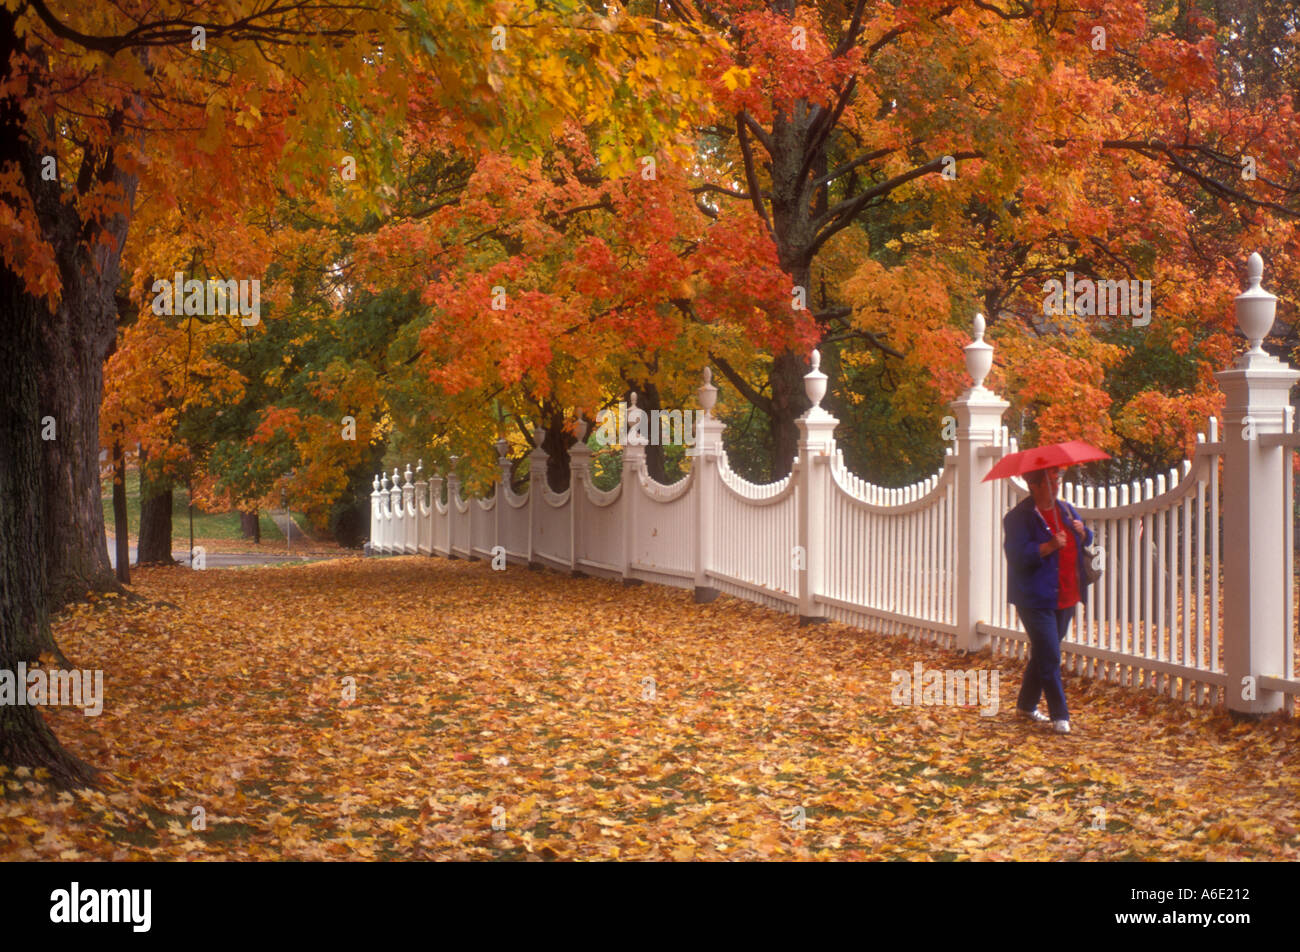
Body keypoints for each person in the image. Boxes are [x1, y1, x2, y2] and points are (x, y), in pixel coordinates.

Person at [1003, 466, 1093, 734]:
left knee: (1043, 653)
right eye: (1051, 481)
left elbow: (1087, 539)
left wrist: (1083, 532)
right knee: (1051, 655)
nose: (1056, 486)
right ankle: (1060, 715)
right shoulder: (1018, 518)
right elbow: (1017, 556)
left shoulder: (1065, 510)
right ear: (1034, 485)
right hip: (1034, 598)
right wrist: (1049, 546)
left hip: (1066, 595)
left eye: (1058, 480)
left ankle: (1026, 706)